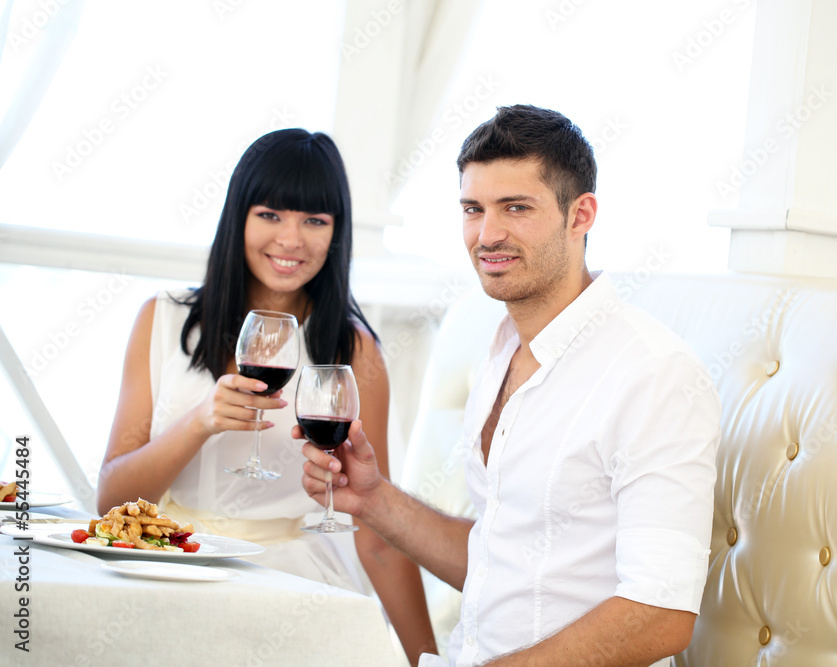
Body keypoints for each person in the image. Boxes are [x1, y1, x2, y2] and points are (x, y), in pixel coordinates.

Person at [299, 105, 721, 666]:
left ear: (581, 215)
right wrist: (373, 499)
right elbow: (500, 561)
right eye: (473, 209)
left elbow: (661, 614)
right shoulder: (501, 349)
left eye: (516, 208)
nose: (487, 234)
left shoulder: (654, 374)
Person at [98, 128, 436, 665]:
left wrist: (429, 659)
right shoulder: (162, 319)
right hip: (169, 564)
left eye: (315, 220)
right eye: (271, 214)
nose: (291, 239)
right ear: (239, 217)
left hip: (291, 581)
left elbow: (376, 532)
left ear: (337, 232)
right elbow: (111, 501)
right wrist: (200, 421)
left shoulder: (354, 350)